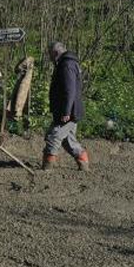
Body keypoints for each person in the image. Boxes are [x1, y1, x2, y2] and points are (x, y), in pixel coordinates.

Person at [43, 42, 90, 171]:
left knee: (54, 135)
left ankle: (47, 166)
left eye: (50, 54)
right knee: (68, 140)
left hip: (69, 111)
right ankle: (83, 160)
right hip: (69, 109)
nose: (49, 57)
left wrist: (66, 111)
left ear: (55, 52)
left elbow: (70, 90)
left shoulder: (66, 65)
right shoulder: (67, 63)